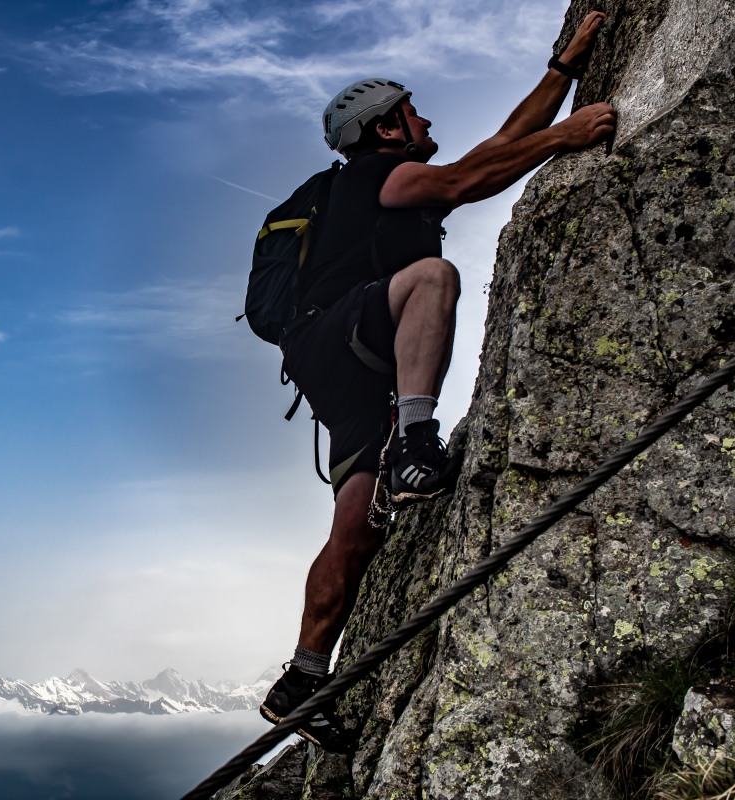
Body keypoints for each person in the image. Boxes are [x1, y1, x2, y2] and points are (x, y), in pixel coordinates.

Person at [259, 12, 617, 750]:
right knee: (433, 277)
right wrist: (569, 135)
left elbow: (497, 150)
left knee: (354, 529)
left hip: (333, 365)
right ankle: (417, 444)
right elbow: (472, 176)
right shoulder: (379, 175)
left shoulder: (379, 180)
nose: (426, 118)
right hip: (345, 335)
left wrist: (562, 69)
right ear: (387, 128)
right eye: (413, 110)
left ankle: (301, 677)